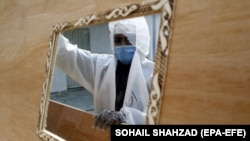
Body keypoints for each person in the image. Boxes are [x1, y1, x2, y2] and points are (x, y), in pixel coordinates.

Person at [56, 16, 154, 130]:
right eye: (118, 40)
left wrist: (126, 117)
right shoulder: (101, 66)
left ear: (141, 41)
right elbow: (66, 54)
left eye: (129, 39)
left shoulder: (154, 74)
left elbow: (159, 116)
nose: (122, 45)